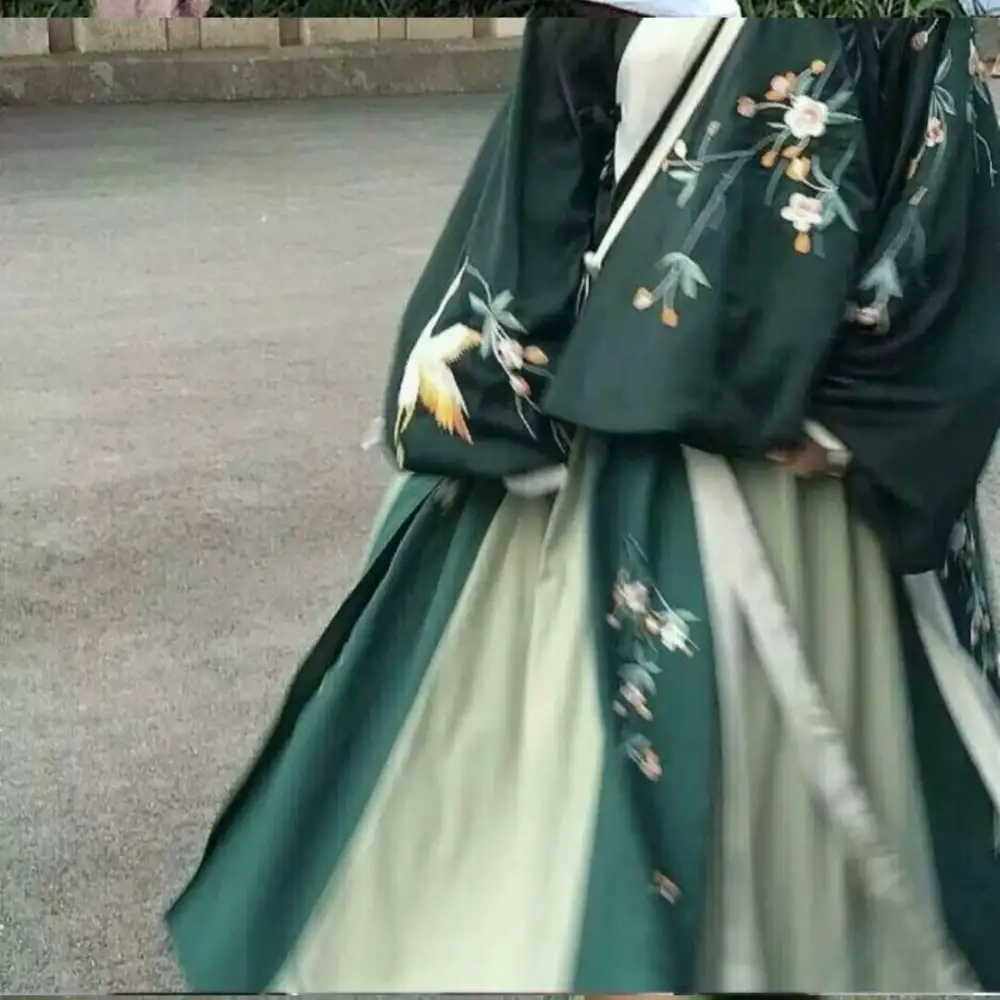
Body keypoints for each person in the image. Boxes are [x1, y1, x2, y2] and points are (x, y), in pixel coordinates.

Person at [167, 7, 1000, 993]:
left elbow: (947, 186)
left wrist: (860, 407)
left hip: (810, 450)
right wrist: (508, 387)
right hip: (615, 424)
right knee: (569, 777)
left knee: (810, 799)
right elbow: (547, 155)